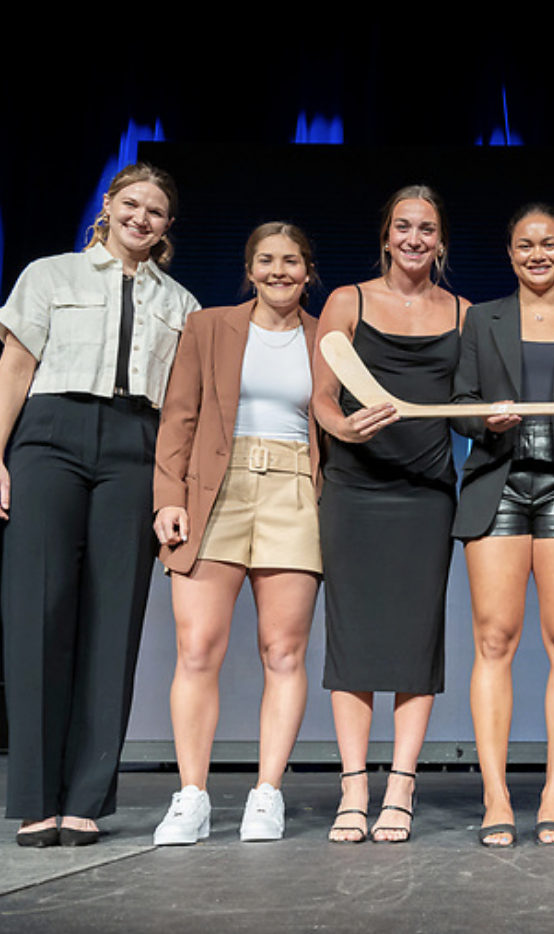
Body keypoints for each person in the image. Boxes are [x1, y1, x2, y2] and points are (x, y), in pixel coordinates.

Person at [0, 163, 200, 846]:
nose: (141, 218)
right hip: (51, 438)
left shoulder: (182, 303)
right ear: (107, 206)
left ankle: (85, 799)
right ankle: (37, 797)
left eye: (156, 211)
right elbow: (15, 366)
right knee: (38, 609)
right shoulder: (51, 275)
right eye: (131, 204)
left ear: (167, 226)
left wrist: (174, 490)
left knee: (114, 617)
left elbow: (183, 408)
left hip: (136, 444)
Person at [148, 223, 325, 845]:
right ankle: (191, 795)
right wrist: (167, 498)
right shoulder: (209, 326)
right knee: (198, 648)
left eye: (292, 262)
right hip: (213, 488)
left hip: (292, 490)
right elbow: (179, 416)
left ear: (309, 271)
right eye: (267, 261)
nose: (280, 271)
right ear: (249, 269)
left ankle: (267, 793)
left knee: (284, 651)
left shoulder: (327, 335)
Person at [451, 205, 554, 847]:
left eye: (549, 243)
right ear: (511, 252)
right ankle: (495, 796)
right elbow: (460, 404)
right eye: (526, 244)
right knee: (494, 639)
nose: (538, 253)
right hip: (500, 482)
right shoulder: (481, 319)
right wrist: (483, 419)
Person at [313, 185, 466, 844]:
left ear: (440, 241)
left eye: (425, 228)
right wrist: (345, 431)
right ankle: (354, 785)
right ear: (386, 235)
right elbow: (320, 399)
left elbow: (478, 400)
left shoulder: (463, 312)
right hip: (353, 487)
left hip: (426, 491)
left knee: (414, 637)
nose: (413, 238)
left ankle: (401, 786)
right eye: (402, 226)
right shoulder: (346, 300)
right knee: (352, 638)